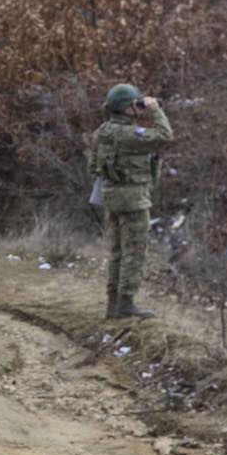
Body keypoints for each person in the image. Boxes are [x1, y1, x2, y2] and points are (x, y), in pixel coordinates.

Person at [88, 83, 173, 320]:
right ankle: (126, 303)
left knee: (116, 251)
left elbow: (92, 166)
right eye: (135, 104)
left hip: (111, 196)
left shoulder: (101, 132)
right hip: (133, 199)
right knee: (134, 251)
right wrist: (155, 110)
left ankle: (113, 304)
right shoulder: (129, 134)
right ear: (127, 109)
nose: (139, 107)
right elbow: (165, 135)